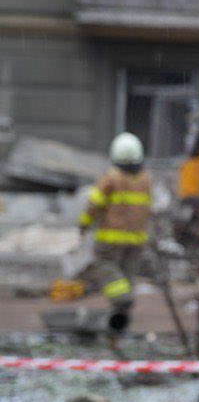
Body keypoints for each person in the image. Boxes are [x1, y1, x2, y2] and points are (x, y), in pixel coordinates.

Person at [77, 132, 152, 334]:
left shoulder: (111, 178)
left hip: (111, 236)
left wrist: (84, 224)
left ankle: (122, 300)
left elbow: (94, 204)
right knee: (127, 273)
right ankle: (122, 315)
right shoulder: (146, 179)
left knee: (105, 264)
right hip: (138, 238)